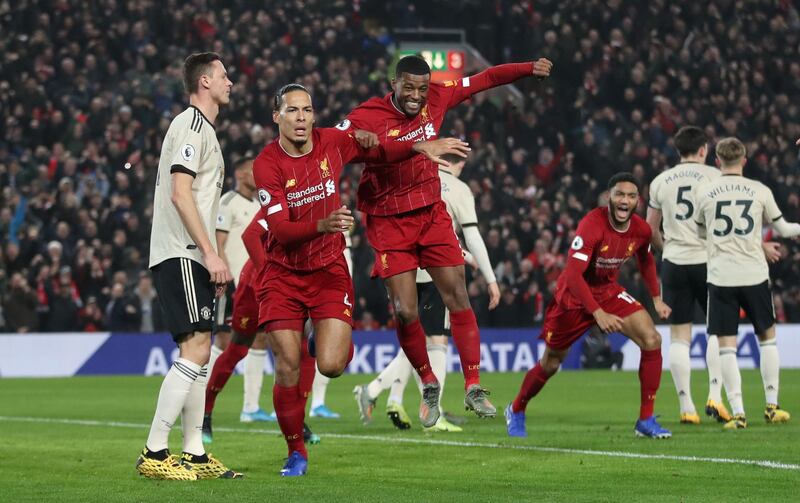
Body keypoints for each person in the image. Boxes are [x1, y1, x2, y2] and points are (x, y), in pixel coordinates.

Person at [253, 83, 469, 476]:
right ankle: (296, 451)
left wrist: (417, 147)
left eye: (307, 110)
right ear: (277, 117)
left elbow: (380, 151)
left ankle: (329, 337)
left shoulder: (332, 142)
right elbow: (281, 230)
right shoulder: (267, 164)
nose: (300, 118)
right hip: (283, 275)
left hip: (328, 271)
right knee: (287, 364)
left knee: (332, 365)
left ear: (315, 115)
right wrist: (324, 223)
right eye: (292, 111)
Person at [342, 54, 553, 425]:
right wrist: (360, 139)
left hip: (430, 214)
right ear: (394, 83)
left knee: (457, 293)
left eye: (422, 89)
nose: (416, 95)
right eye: (409, 87)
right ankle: (427, 381)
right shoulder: (367, 115)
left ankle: (473, 386)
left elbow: (484, 79)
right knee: (406, 311)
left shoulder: (438, 96)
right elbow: (333, 142)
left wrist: (526, 68)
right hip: (389, 222)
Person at [506, 172, 673, 439]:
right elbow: (573, 275)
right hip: (573, 297)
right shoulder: (591, 225)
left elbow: (646, 259)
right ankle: (516, 409)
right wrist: (598, 312)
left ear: (637, 202)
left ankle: (646, 419)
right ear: (609, 197)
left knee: (652, 339)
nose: (625, 200)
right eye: (620, 194)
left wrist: (656, 298)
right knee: (551, 363)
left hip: (607, 291)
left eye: (631, 196)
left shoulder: (641, 229)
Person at [137, 52, 241, 480]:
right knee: (197, 350)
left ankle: (194, 453)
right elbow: (181, 194)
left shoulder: (207, 132)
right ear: (204, 82)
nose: (230, 82)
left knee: (197, 352)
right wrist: (210, 252)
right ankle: (154, 452)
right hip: (181, 249)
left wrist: (207, 260)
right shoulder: (191, 126)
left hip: (191, 255)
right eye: (223, 75)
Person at [353, 152, 501, 432]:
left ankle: (385, 394)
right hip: (435, 270)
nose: (461, 168)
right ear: (451, 162)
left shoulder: (403, 181)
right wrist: (490, 277)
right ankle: (432, 410)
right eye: (460, 163)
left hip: (401, 270)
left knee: (413, 331)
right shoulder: (458, 189)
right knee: (437, 341)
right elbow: (472, 235)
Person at [694, 137, 798, 429]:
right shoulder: (759, 190)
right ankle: (772, 406)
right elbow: (783, 228)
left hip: (721, 277)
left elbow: (702, 233)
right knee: (768, 339)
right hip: (754, 275)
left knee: (727, 347)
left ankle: (738, 413)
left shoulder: (704, 191)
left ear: (717, 161)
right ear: (744, 160)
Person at [202, 212, 319, 445]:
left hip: (295, 280)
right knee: (238, 349)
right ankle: (205, 413)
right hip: (257, 282)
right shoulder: (280, 200)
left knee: (304, 350)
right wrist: (268, 273)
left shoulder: (317, 198)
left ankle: (298, 418)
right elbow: (250, 235)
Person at [646, 126, 729, 424]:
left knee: (680, 335)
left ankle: (686, 408)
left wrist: (666, 249)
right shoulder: (717, 178)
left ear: (678, 150)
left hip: (675, 262)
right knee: (717, 331)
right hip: (710, 261)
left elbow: (651, 229)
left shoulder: (660, 181)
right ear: (704, 150)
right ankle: (715, 397)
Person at [209, 157, 259, 376]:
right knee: (223, 339)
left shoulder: (259, 205)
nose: (258, 175)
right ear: (240, 174)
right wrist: (225, 277)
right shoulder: (227, 202)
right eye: (252, 170)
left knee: (259, 341)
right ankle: (200, 394)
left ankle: (251, 407)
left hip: (253, 285)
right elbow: (218, 242)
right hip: (231, 283)